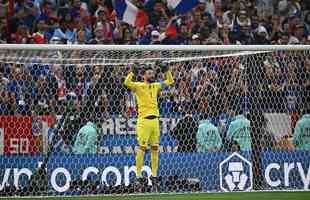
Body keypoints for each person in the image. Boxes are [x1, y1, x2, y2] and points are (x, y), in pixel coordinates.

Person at [123, 62, 174, 192]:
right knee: (142, 148)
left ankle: (154, 176)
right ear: (144, 75)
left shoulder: (156, 86)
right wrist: (132, 72)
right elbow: (127, 83)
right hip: (143, 121)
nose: (152, 75)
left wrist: (166, 70)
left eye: (152, 73)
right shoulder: (139, 86)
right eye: (149, 73)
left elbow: (170, 81)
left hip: (155, 121)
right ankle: (139, 176)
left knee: (155, 149)